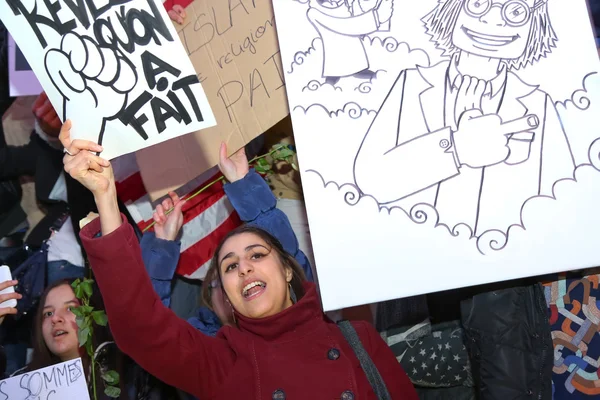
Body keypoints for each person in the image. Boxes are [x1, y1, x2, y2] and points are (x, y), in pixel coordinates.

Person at [59, 120, 418, 399]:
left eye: (257, 255)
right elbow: (142, 325)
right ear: (226, 296)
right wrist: (106, 197)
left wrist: (244, 182)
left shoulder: (358, 340)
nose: (244, 267)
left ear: (289, 271)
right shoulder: (223, 364)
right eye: (229, 266)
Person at [354, 0, 574, 237]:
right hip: (411, 250)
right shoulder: (412, 84)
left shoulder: (537, 103)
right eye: (478, 4)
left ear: (537, 24)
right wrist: (457, 148)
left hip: (510, 258)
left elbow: (565, 195)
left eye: (515, 11)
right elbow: (370, 179)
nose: (493, 20)